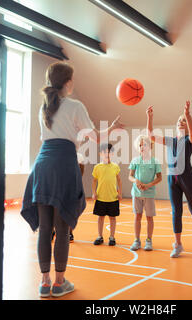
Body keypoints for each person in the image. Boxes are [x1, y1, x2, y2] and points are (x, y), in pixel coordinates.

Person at [20, 62, 124, 298]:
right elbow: (95, 138)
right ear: (67, 83)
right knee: (62, 227)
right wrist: (113, 129)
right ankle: (59, 282)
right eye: (72, 80)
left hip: (42, 165)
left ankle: (44, 283)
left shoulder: (43, 108)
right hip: (63, 164)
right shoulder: (75, 105)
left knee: (45, 229)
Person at [146, 101, 192, 258]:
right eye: (179, 120)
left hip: (187, 177)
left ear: (187, 126)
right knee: (176, 211)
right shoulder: (170, 140)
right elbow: (151, 136)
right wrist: (149, 117)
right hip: (171, 178)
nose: (181, 122)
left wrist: (187, 115)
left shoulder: (190, 141)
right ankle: (178, 244)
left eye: (183, 121)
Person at [128, 135, 162, 251]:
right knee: (137, 216)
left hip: (149, 194)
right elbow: (130, 176)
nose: (142, 147)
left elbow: (159, 178)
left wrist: (148, 185)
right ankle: (137, 240)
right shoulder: (135, 160)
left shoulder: (155, 162)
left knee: (149, 218)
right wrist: (136, 181)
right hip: (136, 194)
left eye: (145, 145)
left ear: (150, 146)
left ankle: (148, 240)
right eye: (140, 145)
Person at [92, 143, 122, 246]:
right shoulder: (97, 167)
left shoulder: (115, 167)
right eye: (104, 152)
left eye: (109, 152)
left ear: (112, 154)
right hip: (101, 197)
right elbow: (94, 181)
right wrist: (94, 193)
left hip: (113, 198)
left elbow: (119, 180)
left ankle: (112, 237)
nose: (107, 154)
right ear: (100, 154)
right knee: (100, 217)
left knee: (112, 218)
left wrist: (120, 193)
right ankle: (100, 236)